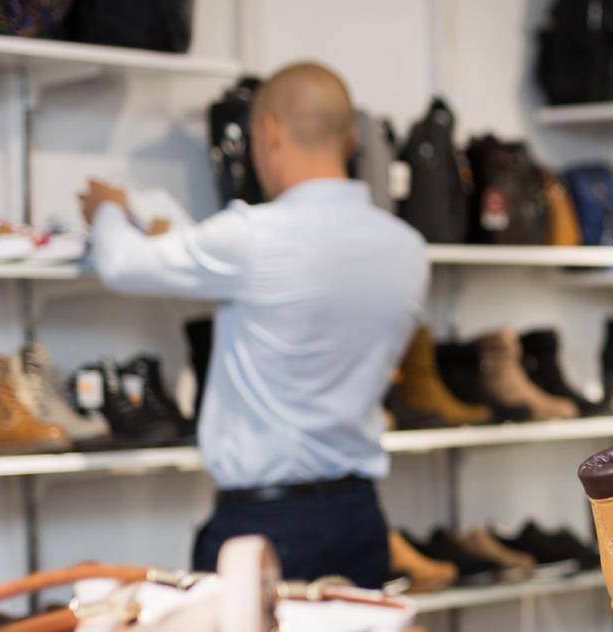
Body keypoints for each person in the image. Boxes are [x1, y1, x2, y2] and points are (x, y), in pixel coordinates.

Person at [78, 61, 426, 587]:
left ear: (268, 133)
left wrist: (107, 210)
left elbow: (123, 264)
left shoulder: (252, 236)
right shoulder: (407, 249)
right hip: (360, 517)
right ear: (351, 138)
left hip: (265, 524)